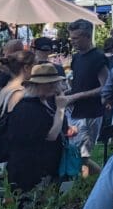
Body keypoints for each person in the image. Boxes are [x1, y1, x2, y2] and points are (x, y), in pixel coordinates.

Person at [6, 63, 70, 192]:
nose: (55, 87)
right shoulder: (29, 108)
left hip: (38, 168)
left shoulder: (40, 102)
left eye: (55, 83)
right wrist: (61, 110)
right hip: (31, 172)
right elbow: (51, 136)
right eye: (50, 84)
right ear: (38, 85)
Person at [66, 19, 109, 175]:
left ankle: (101, 178)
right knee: (73, 153)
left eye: (76, 38)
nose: (72, 42)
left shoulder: (98, 57)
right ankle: (87, 182)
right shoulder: (76, 57)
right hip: (75, 111)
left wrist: (79, 95)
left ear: (87, 36)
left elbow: (106, 87)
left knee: (82, 156)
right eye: (71, 38)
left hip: (91, 113)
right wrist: (69, 93)